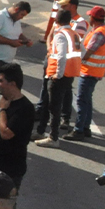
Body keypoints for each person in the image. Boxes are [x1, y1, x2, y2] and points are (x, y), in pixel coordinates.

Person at [0, 64, 35, 188]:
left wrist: (2, 110)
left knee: (3, 205)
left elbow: (6, 133)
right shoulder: (3, 101)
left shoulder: (25, 108)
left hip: (8, 170)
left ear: (12, 84)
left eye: (1, 81)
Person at [0, 2, 33, 129]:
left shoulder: (16, 20)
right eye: (22, 14)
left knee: (2, 89)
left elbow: (18, 34)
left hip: (7, 60)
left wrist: (25, 40)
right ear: (16, 9)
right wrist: (11, 43)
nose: (22, 17)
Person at [37, 0, 86, 131]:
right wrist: (49, 48)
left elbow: (74, 49)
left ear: (73, 6)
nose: (62, 7)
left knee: (59, 97)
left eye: (65, 5)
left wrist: (62, 70)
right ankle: (42, 114)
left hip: (63, 67)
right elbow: (50, 36)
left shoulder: (80, 23)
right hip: (53, 61)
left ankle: (60, 123)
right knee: (47, 90)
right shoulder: (62, 18)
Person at [34, 10, 81, 148]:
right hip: (69, 75)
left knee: (53, 107)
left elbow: (61, 56)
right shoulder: (74, 34)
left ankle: (53, 138)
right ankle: (41, 131)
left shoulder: (60, 35)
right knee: (49, 103)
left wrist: (58, 74)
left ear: (56, 22)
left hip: (57, 76)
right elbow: (81, 52)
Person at [65, 6, 105, 141]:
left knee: (82, 101)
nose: (88, 17)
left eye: (90, 15)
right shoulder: (98, 30)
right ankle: (85, 128)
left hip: (90, 72)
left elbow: (87, 54)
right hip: (91, 71)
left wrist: (72, 56)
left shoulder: (99, 33)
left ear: (93, 18)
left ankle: (79, 130)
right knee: (87, 100)